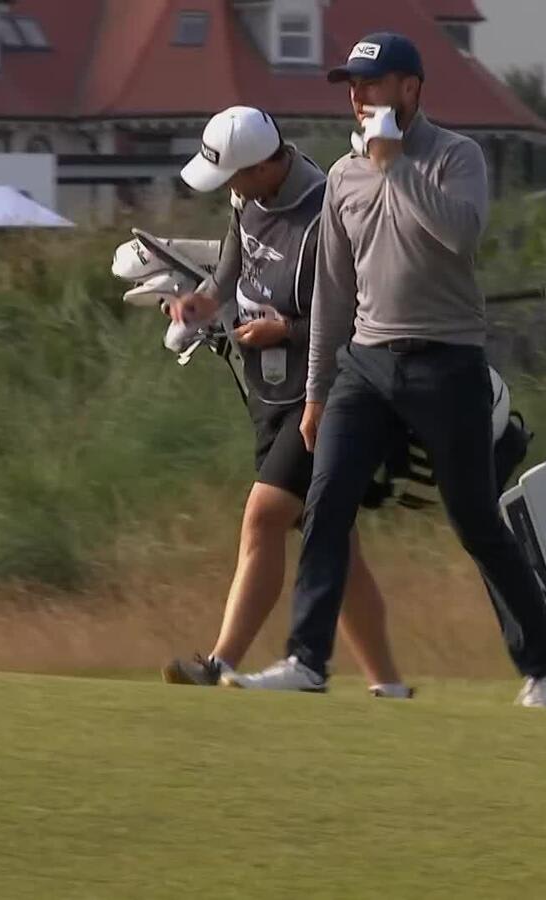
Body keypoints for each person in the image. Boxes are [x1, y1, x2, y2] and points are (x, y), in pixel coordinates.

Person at [222, 33, 546, 709]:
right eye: (351, 86)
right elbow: (332, 290)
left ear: (410, 88)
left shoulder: (456, 157)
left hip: (447, 362)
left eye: (371, 83)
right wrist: (317, 392)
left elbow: (461, 235)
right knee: (325, 508)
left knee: (475, 520)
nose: (357, 96)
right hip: (365, 364)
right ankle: (307, 659)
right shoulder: (343, 176)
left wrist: (396, 168)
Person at [160, 105, 413, 699]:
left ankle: (219, 663)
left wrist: (287, 332)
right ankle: (391, 688)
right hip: (271, 394)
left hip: (328, 393)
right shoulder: (247, 200)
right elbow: (232, 268)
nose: (229, 191)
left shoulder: (331, 210)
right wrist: (203, 302)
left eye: (234, 178)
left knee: (264, 515)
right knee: (332, 539)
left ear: (264, 167)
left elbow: (359, 315)